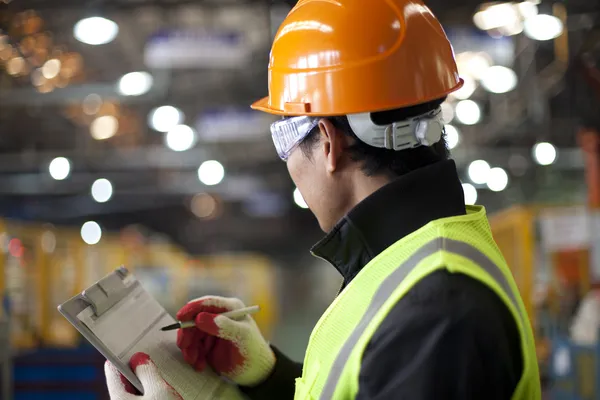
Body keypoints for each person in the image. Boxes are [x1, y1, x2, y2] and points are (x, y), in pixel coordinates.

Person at [105, 0, 542, 398]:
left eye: (285, 143)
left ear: (329, 144)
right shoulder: (412, 267)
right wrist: (270, 377)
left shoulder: (435, 311)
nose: (288, 166)